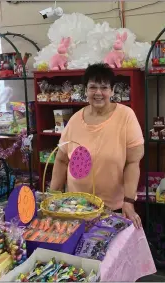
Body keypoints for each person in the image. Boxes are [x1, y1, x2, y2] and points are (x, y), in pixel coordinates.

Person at [50, 63, 144, 228]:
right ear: (85, 90)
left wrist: (128, 201)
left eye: (104, 87)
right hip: (75, 206)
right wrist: (53, 196)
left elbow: (133, 162)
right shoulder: (75, 120)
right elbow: (61, 160)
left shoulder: (126, 116)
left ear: (112, 90)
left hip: (111, 208)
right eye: (93, 87)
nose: (98, 93)